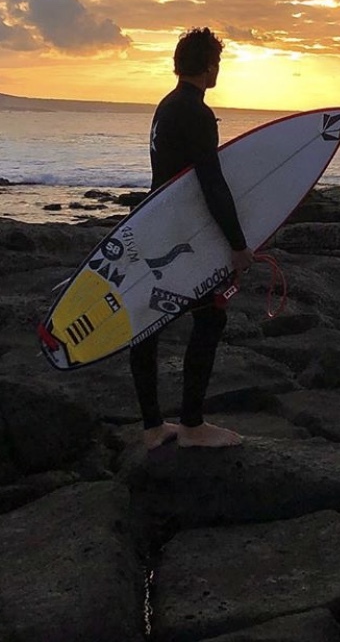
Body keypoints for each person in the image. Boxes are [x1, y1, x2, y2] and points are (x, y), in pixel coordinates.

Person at [130, 27, 254, 451]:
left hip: (153, 225)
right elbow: (211, 183)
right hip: (180, 237)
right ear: (209, 66)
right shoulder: (196, 113)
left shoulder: (167, 106)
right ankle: (192, 425)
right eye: (217, 63)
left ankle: (151, 426)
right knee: (211, 317)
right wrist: (238, 244)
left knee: (147, 325)